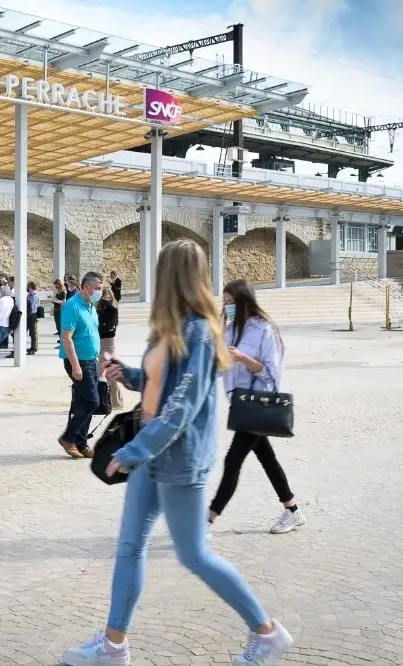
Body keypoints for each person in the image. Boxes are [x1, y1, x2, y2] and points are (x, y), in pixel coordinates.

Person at [61, 240, 293, 666]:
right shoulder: (169, 326)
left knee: (194, 554)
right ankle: (114, 645)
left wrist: (133, 450)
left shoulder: (201, 331)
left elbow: (182, 408)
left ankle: (267, 632)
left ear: (170, 275)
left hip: (180, 460)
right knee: (130, 546)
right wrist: (127, 374)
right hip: (152, 453)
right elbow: (161, 384)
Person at [209, 279, 305, 535]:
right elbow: (221, 368)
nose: (227, 307)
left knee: (232, 461)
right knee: (267, 459)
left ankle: (208, 517)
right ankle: (293, 510)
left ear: (243, 302)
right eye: (225, 303)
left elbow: (272, 375)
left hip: (258, 404)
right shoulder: (229, 331)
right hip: (240, 405)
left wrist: (243, 358)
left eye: (231, 303)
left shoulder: (263, 330)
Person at [57, 272, 103, 459]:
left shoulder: (91, 306)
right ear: (86, 288)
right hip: (78, 361)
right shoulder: (73, 306)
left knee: (86, 403)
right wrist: (75, 366)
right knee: (92, 401)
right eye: (97, 288)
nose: (100, 291)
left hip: (91, 360)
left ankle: (81, 443)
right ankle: (68, 438)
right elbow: (67, 337)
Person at [97, 287, 123, 410]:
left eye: (108, 297)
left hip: (108, 343)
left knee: (106, 371)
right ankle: (110, 401)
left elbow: (109, 327)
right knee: (105, 373)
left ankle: (117, 401)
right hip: (98, 342)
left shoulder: (113, 310)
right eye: (104, 297)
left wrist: (101, 326)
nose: (106, 299)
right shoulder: (97, 309)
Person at [52, 278, 67, 346]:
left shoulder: (63, 292)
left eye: (56, 285)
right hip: (56, 309)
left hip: (60, 310)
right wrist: (52, 298)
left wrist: (55, 301)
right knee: (58, 326)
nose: (55, 286)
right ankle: (61, 340)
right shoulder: (58, 291)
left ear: (59, 284)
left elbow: (63, 302)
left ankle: (62, 342)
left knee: (60, 327)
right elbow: (56, 299)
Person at [26, 281, 39, 355]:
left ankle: (33, 348)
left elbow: (31, 305)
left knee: (32, 332)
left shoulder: (34, 295)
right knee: (27, 331)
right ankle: (31, 347)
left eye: (28, 286)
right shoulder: (30, 294)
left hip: (32, 315)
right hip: (28, 315)